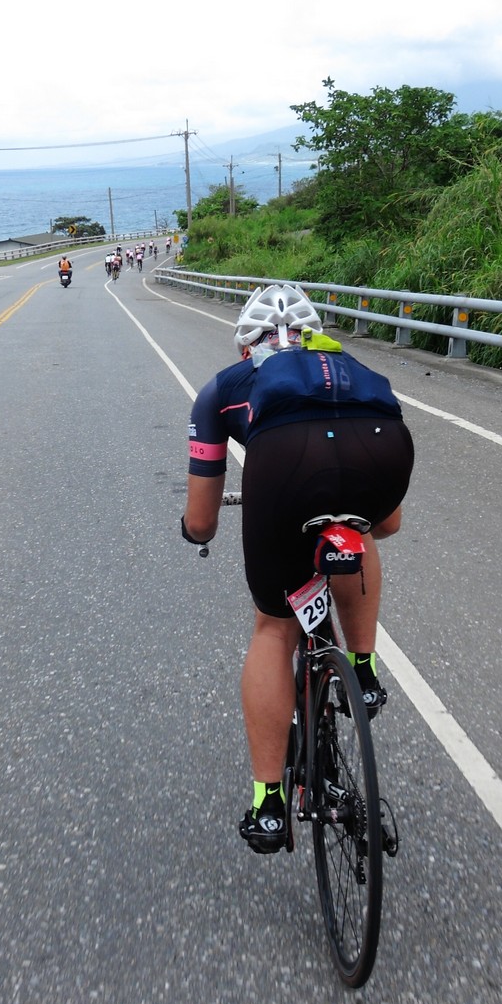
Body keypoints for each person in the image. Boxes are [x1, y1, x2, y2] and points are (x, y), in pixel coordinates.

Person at [180, 284, 413, 855]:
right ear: (314, 338)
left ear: (247, 347)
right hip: (382, 446)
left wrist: (195, 532)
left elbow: (203, 520)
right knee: (358, 528)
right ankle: (363, 669)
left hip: (284, 464)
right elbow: (389, 523)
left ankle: (269, 804)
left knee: (274, 627)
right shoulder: (347, 368)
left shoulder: (225, 388)